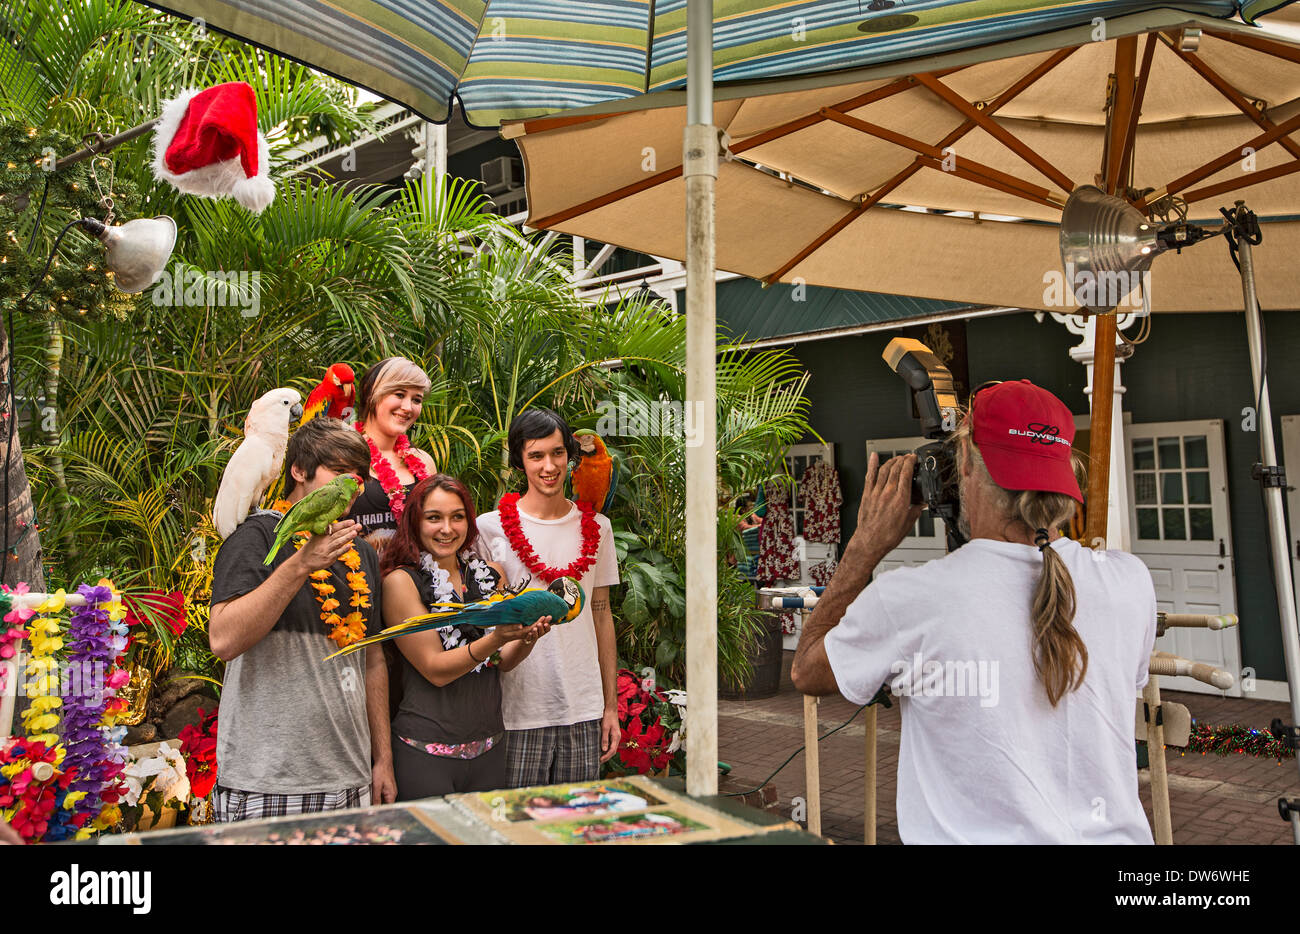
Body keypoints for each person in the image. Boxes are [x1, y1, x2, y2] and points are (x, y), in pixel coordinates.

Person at [792, 379, 1157, 844]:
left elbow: (807, 670)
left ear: (963, 463)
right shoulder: (1130, 581)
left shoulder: (914, 598)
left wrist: (864, 547)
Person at [209, 417, 395, 821]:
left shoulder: (360, 553)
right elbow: (223, 640)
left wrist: (382, 759)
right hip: (268, 782)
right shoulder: (254, 538)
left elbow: (373, 660)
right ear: (298, 471)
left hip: (350, 777)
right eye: (339, 472)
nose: (353, 485)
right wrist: (299, 566)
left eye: (359, 476)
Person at [380, 474, 552, 798]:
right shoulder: (402, 583)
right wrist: (498, 637)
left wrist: (528, 636)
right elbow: (434, 668)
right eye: (434, 518)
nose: (447, 528)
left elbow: (503, 662)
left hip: (490, 749)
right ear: (415, 522)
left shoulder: (490, 575)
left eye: (457, 517)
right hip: (426, 754)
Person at [477, 409, 621, 787]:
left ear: (570, 455)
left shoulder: (598, 528)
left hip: (584, 708)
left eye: (557, 453)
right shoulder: (488, 528)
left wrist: (610, 706)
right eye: (536, 455)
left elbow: (601, 616)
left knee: (576, 827)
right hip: (519, 711)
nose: (549, 466)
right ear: (519, 461)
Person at [347, 356, 438, 552]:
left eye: (416, 400)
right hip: (356, 576)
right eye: (399, 394)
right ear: (373, 393)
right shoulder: (344, 453)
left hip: (415, 575)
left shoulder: (424, 460)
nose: (407, 407)